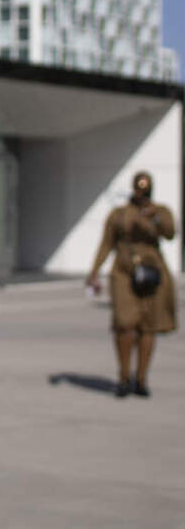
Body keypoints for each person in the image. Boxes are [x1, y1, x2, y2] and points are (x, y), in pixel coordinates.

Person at [87, 171, 176, 398]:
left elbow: (170, 233)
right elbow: (106, 244)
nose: (141, 193)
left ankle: (142, 378)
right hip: (124, 272)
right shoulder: (118, 214)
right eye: (138, 189)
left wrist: (154, 216)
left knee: (148, 326)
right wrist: (94, 272)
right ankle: (124, 377)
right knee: (125, 324)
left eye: (145, 189)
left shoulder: (160, 211)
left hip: (153, 271)